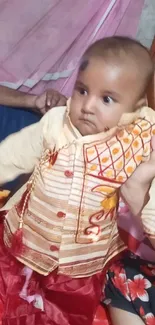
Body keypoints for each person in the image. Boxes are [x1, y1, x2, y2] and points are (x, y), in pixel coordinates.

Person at [0, 36, 155, 325]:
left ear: (136, 106)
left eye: (106, 99)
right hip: (28, 234)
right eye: (82, 90)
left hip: (81, 260)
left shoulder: (138, 147)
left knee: (60, 312)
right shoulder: (57, 124)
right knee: (8, 292)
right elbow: (14, 153)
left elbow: (150, 203)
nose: (87, 106)